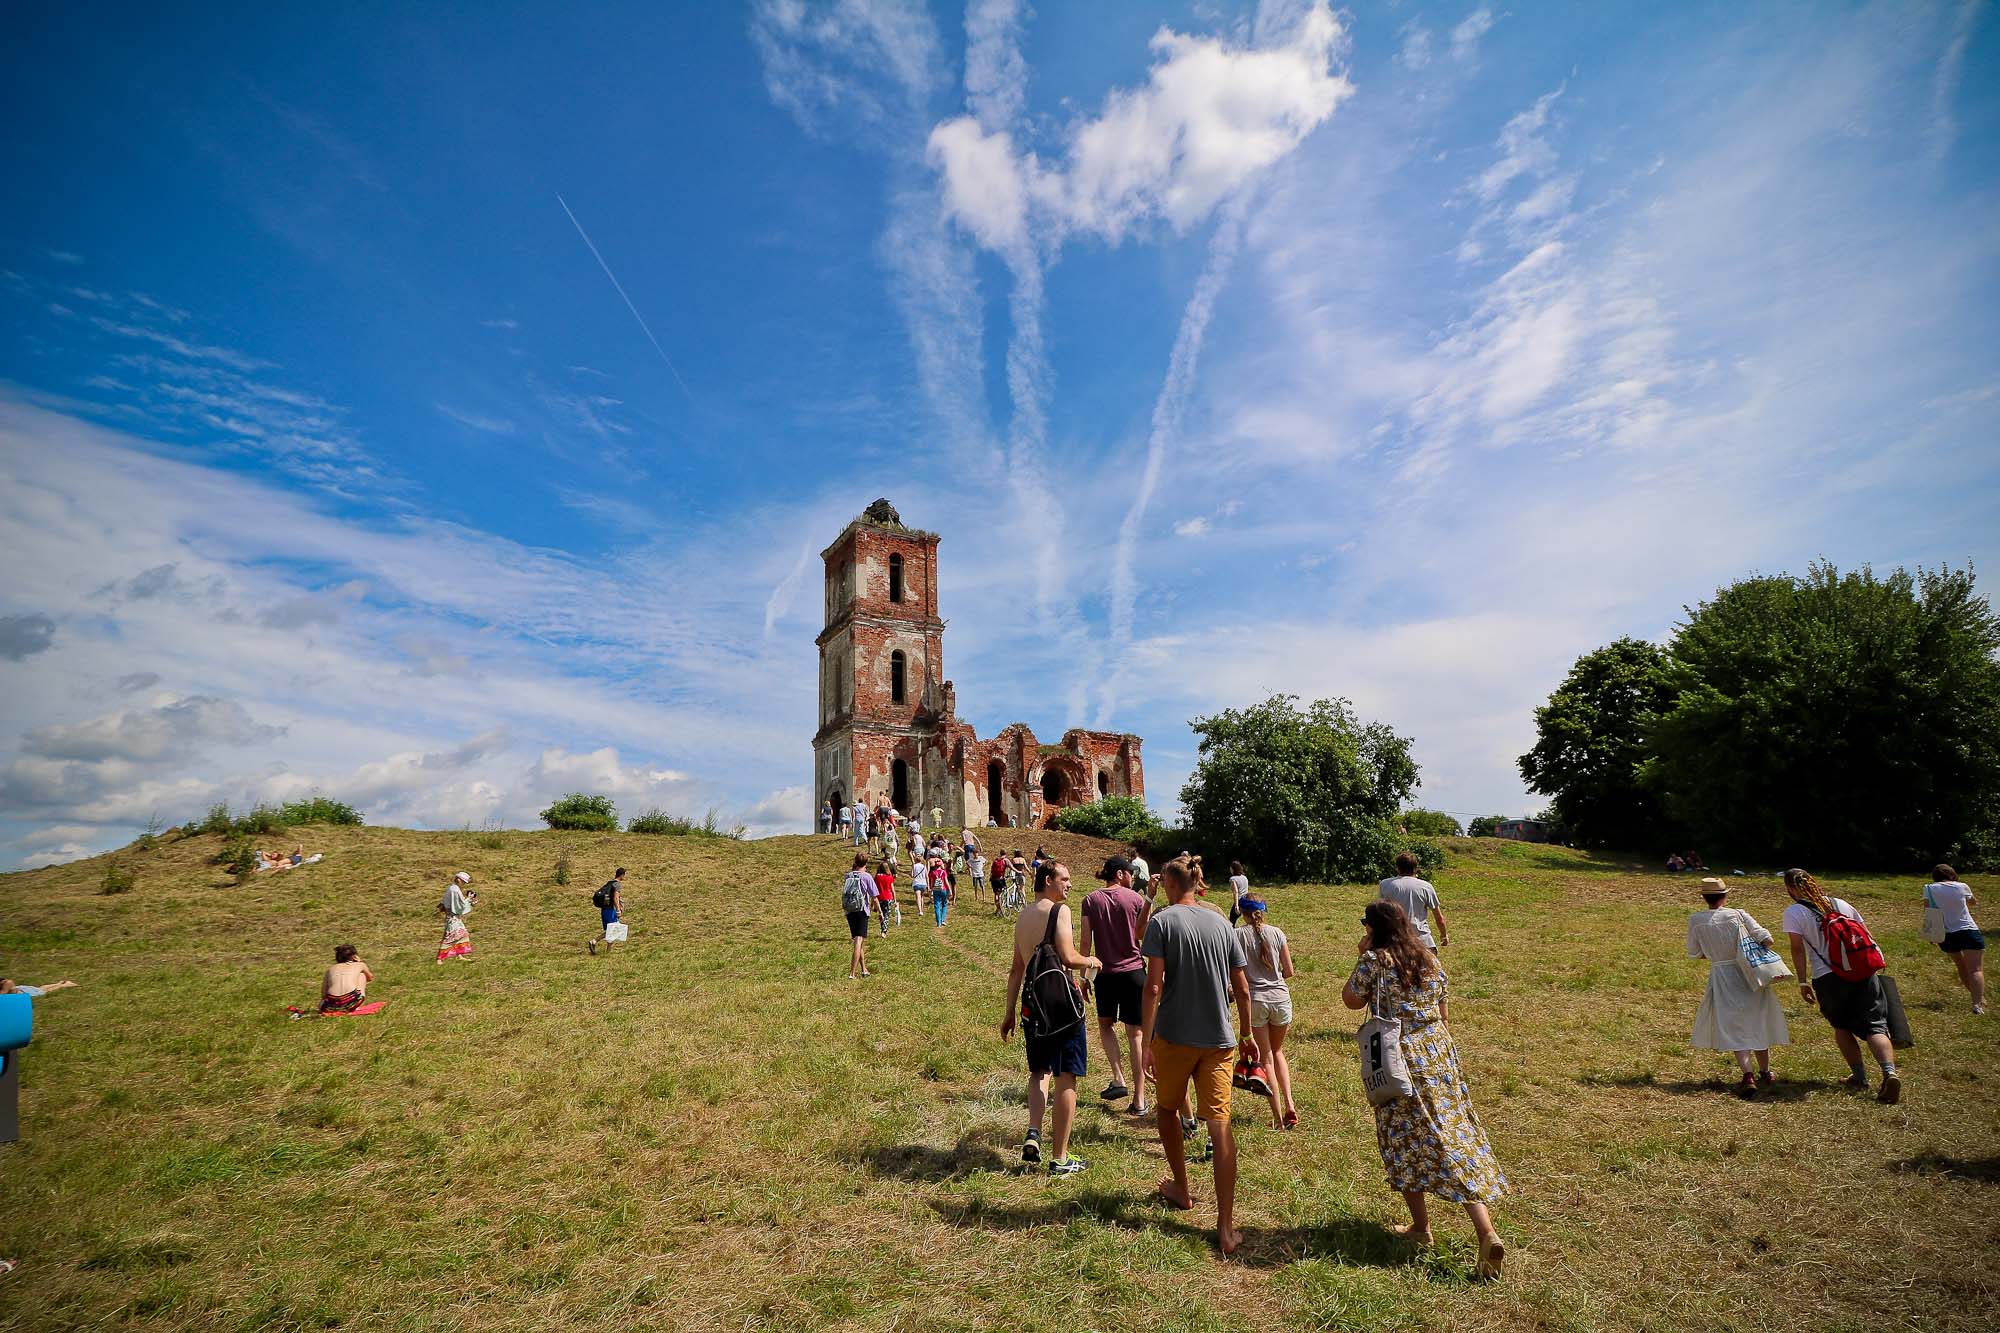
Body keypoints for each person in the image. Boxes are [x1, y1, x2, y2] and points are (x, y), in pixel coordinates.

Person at [1342, 900, 1508, 1279]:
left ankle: (1422, 1228)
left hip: (1398, 1057)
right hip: (1438, 1053)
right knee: (1452, 1136)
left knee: (1403, 1140)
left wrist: (1363, 954)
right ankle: (1485, 1230)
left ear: (1375, 928)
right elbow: (1444, 1010)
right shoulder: (1429, 959)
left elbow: (1351, 1001)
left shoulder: (1376, 961)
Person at [1141, 858, 1258, 1254]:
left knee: (1168, 1110)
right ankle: (1226, 1228)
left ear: (1171, 885)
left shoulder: (1162, 921)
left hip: (1173, 1037)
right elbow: (1242, 989)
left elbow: (1153, 987)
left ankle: (1182, 1189)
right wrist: (1246, 1034)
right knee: (1220, 1124)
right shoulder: (1223, 924)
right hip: (1219, 1040)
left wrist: (1145, 1041)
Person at [1001, 860, 1101, 1174]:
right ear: (1048, 880)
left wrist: (1008, 1014)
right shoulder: (1060, 912)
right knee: (1066, 1076)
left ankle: (1034, 1130)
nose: (1069, 884)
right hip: (1060, 1006)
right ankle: (1060, 1157)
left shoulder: (1023, 917)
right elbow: (1069, 958)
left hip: (1032, 1004)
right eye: (1065, 878)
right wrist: (1092, 961)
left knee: (1038, 1071)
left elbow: (1017, 969)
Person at [1781, 868, 1902, 1103]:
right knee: (1875, 1026)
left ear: (1791, 889)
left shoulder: (1794, 912)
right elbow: (1865, 934)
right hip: (1863, 971)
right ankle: (1889, 1072)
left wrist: (1803, 981)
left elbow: (1797, 949)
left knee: (1841, 1025)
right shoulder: (1841, 904)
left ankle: (1859, 1077)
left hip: (1828, 976)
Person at [1685, 878, 1788, 1096]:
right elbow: (1767, 939)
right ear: (1725, 896)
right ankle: (1765, 1071)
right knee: (1758, 1018)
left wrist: (1717, 954)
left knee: (1732, 1024)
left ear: (1704, 897)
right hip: (1750, 971)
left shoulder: (1696, 920)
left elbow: (1695, 953)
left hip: (1722, 975)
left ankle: (1747, 1074)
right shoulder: (1738, 914)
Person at [1080, 855, 1152, 1116]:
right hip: (1134, 972)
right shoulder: (1135, 899)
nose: (1132, 877)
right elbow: (1142, 934)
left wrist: (1084, 977)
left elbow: (1086, 943)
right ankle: (1140, 1099)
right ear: (1120, 874)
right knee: (1136, 1034)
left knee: (1105, 1025)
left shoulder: (1090, 900)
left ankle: (1118, 1077)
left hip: (1104, 974)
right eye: (1130, 873)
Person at [1236, 898, 1298, 1128]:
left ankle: (1277, 1117)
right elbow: (1289, 971)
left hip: (1256, 1001)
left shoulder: (1237, 935)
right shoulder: (1277, 933)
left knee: (1266, 1057)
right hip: (1281, 999)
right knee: (1278, 1051)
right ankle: (1290, 1104)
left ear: (1242, 912)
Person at [1923, 864, 1985, 1014]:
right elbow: (1973, 902)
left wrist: (1932, 933)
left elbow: (1928, 910)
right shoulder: (1962, 886)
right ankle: (1977, 1004)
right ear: (1952, 874)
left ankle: (1978, 996)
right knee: (1975, 969)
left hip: (1947, 934)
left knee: (1961, 965)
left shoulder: (1929, 888)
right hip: (1968, 930)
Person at [1378, 853, 1449, 951]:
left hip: (1394, 943)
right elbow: (1439, 919)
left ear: (1398, 868)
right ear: (1415, 868)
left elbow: (1380, 914)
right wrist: (1444, 935)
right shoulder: (1426, 887)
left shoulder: (1385, 884)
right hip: (1422, 942)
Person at [841, 852, 875, 980]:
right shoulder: (867, 877)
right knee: (858, 941)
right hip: (862, 910)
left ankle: (864, 969)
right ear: (866, 863)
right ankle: (852, 973)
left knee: (857, 939)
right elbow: (874, 896)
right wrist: (881, 913)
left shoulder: (848, 875)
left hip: (850, 910)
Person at [319, 944, 374, 1013]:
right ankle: (355, 1006)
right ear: (354, 956)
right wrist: (359, 962)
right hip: (352, 1002)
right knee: (362, 974)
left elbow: (324, 995)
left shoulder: (330, 969)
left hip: (331, 1005)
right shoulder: (360, 965)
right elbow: (370, 978)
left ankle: (337, 1007)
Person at [437, 872, 475, 963]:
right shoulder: (455, 890)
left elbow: (458, 904)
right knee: (450, 936)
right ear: (459, 880)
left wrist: (468, 900)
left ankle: (459, 954)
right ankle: (439, 958)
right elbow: (459, 906)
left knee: (462, 934)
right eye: (464, 882)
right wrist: (469, 900)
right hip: (452, 917)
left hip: (454, 917)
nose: (464, 884)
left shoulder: (453, 888)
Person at [589, 867, 626, 956]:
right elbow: (615, 897)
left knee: (612, 931)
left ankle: (607, 952)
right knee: (613, 930)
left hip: (604, 910)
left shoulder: (609, 883)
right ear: (622, 875)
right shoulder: (617, 884)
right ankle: (594, 941)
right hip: (610, 911)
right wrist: (618, 910)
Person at [929, 847, 953, 928]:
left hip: (936, 889)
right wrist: (950, 891)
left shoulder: (933, 872)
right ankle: (943, 920)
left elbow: (932, 883)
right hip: (943, 889)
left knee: (936, 905)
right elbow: (946, 882)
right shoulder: (943, 872)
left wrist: (931, 890)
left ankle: (938, 922)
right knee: (944, 904)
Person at [874, 859, 899, 934]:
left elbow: (874, 888)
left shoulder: (877, 876)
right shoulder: (889, 876)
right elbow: (892, 889)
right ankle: (884, 931)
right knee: (886, 914)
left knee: (881, 913)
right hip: (888, 897)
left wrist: (872, 902)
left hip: (879, 897)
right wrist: (895, 900)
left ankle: (882, 927)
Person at [1227, 861, 1251, 925]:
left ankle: (1231, 933)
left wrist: (1236, 906)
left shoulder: (1233, 879)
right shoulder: (1244, 877)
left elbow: (1236, 892)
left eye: (1231, 868)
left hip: (1240, 901)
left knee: (1231, 921)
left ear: (1233, 869)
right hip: (1247, 900)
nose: (1230, 869)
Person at [0, 979, 76, 997]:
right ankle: (59, 983)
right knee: (41, 988)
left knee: (43, 991)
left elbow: (9, 982)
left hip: (20, 992)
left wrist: (4, 991)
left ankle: (63, 985)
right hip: (19, 989)